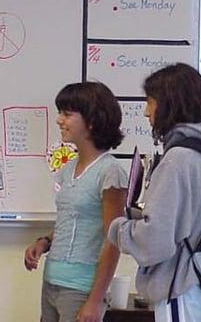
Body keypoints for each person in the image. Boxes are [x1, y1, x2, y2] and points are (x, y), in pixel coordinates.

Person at [108, 63, 201, 322]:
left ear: (169, 104)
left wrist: (118, 229)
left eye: (150, 102)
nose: (147, 112)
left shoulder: (177, 160)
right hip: (200, 286)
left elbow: (155, 242)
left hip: (179, 288)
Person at [24, 81, 128, 322]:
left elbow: (113, 241)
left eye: (67, 114)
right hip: (51, 282)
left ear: (92, 121)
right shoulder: (68, 168)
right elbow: (72, 219)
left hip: (81, 288)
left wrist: (94, 301)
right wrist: (44, 242)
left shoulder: (110, 172)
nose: (59, 120)